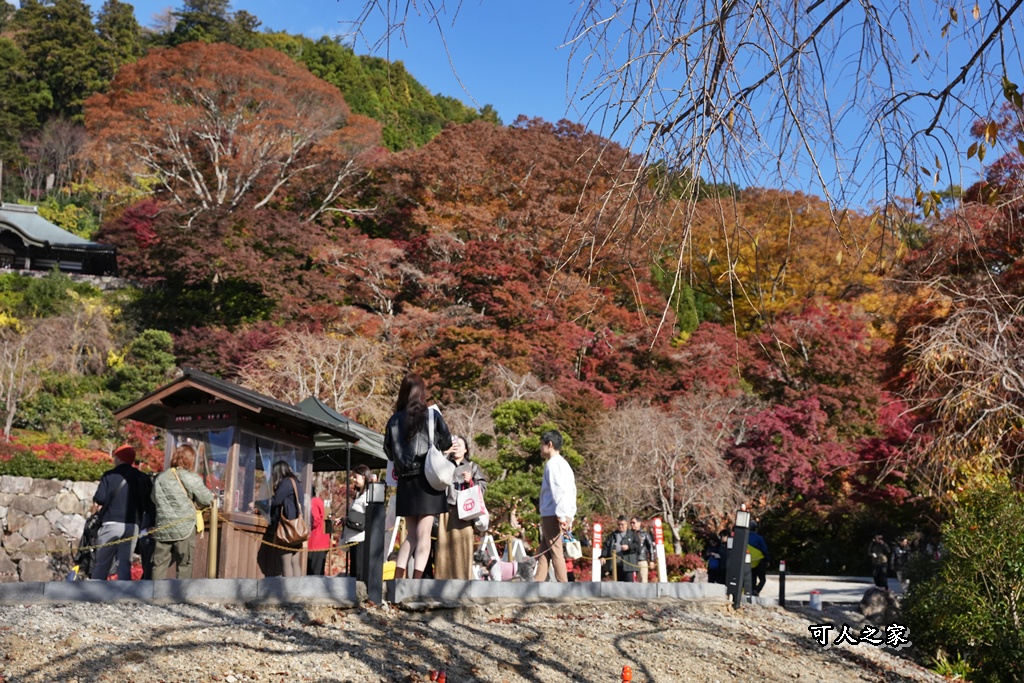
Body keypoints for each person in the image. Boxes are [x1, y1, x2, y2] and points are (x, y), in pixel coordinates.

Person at [384, 372, 453, 579]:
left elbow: (388, 451)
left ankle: (397, 580)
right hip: (428, 480)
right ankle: (417, 582)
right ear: (422, 392)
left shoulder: (394, 420)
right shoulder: (432, 415)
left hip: (406, 481)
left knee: (411, 535)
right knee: (424, 535)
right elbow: (447, 442)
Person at [91, 444, 154, 580]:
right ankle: (124, 595)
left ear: (119, 459)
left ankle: (94, 592)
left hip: (111, 522)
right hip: (132, 525)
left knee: (102, 562)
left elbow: (100, 498)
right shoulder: (142, 477)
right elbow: (148, 503)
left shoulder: (110, 475)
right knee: (125, 562)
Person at [150, 444, 214, 580]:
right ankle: (180, 596)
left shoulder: (160, 478)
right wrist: (196, 504)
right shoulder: (191, 477)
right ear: (190, 459)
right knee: (185, 563)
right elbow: (207, 499)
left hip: (163, 527)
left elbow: (154, 499)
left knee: (159, 564)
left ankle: (155, 595)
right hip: (184, 527)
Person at [434, 435, 487, 579]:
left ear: (465, 449)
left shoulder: (472, 467)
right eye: (454, 444)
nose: (456, 446)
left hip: (465, 512)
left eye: (459, 445)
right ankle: (442, 579)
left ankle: (464, 580)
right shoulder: (444, 463)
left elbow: (482, 488)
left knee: (463, 546)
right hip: (446, 509)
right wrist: (444, 454)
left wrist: (470, 481)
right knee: (443, 546)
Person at [534, 430, 576, 582]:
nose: (541, 448)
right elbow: (571, 490)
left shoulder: (552, 465)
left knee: (556, 550)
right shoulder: (565, 465)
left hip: (554, 513)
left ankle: (563, 586)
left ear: (549, 444)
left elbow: (558, 490)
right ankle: (538, 581)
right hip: (563, 512)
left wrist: (561, 515)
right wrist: (570, 514)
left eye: (542, 444)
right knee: (546, 549)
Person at [264, 460, 305, 577]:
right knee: (295, 562)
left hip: (287, 528)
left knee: (285, 562)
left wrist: (258, 503)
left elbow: (276, 500)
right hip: (297, 528)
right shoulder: (296, 483)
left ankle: (288, 593)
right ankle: (297, 592)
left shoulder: (286, 483)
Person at [340, 464, 371, 580]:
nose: (353, 480)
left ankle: (360, 595)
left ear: (363, 477)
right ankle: (355, 594)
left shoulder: (368, 495)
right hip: (353, 537)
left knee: (359, 572)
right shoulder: (358, 495)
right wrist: (344, 519)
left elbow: (368, 516)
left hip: (360, 538)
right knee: (354, 571)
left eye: (355, 477)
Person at [603, 516, 640, 581]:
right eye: (618, 524)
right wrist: (603, 556)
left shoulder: (632, 535)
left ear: (626, 524)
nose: (620, 526)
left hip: (629, 566)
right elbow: (606, 546)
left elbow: (637, 546)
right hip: (616, 565)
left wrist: (629, 547)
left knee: (629, 586)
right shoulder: (612, 535)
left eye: (622, 525)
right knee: (618, 587)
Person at [306, 485, 330, 576]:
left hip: (315, 542)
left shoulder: (313, 502)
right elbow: (328, 520)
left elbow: (315, 520)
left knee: (313, 573)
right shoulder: (321, 501)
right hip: (323, 541)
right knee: (319, 573)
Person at [748, 520, 770, 596]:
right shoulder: (759, 538)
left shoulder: (744, 538)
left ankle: (752, 591)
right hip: (759, 561)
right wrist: (767, 560)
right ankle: (756, 590)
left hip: (748, 561)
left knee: (752, 577)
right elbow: (764, 549)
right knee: (762, 579)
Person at [635, 518, 655, 583]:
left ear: (639, 523)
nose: (632, 524)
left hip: (642, 559)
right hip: (632, 560)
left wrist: (652, 560)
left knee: (643, 580)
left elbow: (650, 547)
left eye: (634, 522)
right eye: (631, 523)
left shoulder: (645, 534)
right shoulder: (630, 533)